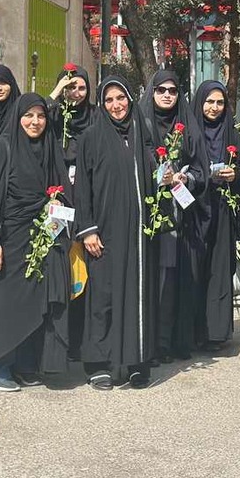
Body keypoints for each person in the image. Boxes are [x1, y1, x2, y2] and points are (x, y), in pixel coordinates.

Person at [0, 93, 72, 391]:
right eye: (28, 116)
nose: (35, 122)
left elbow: (62, 191)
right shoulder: (1, 148)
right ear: (17, 118)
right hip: (9, 239)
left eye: (41, 116)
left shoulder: (49, 149)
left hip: (42, 238)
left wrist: (57, 212)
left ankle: (25, 365)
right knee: (6, 304)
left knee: (34, 303)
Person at [75, 76, 158, 389]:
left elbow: (155, 172)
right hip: (104, 232)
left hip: (137, 233)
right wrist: (87, 229)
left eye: (120, 98)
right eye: (109, 100)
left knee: (137, 295)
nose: (116, 105)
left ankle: (136, 362)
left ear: (130, 99)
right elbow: (82, 188)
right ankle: (100, 363)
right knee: (104, 296)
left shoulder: (141, 133)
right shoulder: (91, 137)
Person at [138, 69, 206, 363]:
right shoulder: (140, 124)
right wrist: (157, 176)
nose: (167, 95)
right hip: (145, 214)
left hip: (177, 219)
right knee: (147, 279)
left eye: (173, 90)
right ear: (151, 92)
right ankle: (146, 343)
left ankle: (165, 342)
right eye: (161, 90)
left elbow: (201, 169)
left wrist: (185, 178)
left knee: (169, 280)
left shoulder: (187, 127)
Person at [180, 80, 240, 352]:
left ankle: (216, 334)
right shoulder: (188, 132)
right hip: (194, 210)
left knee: (219, 269)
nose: (214, 107)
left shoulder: (231, 134)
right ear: (199, 103)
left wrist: (235, 175)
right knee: (194, 269)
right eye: (209, 102)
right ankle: (191, 333)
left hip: (221, 211)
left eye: (220, 102)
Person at [46, 64, 95, 361]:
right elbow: (36, 114)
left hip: (88, 206)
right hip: (57, 205)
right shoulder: (53, 119)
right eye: (70, 87)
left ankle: (82, 342)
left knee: (87, 274)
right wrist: (56, 93)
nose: (76, 93)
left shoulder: (96, 119)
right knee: (61, 272)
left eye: (81, 87)